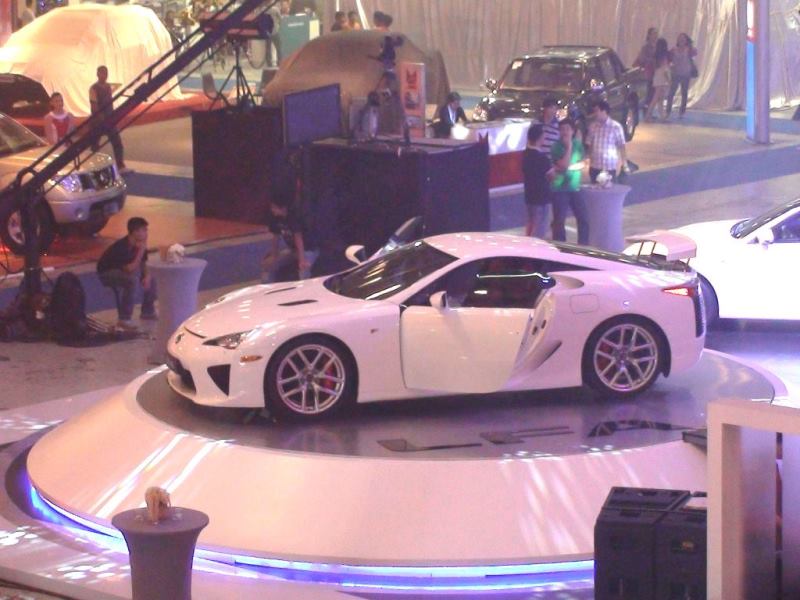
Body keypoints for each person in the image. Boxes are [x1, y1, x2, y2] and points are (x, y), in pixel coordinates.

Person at [97, 217, 157, 330]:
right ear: (135, 232)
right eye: (143, 230)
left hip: (123, 269)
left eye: (146, 230)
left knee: (152, 277)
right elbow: (129, 269)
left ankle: (147, 311)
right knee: (131, 281)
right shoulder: (122, 247)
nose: (146, 233)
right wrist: (141, 251)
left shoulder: (139, 244)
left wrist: (147, 276)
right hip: (107, 272)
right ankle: (124, 319)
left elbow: (144, 263)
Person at [550, 118, 588, 244]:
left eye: (567, 129)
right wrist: (569, 147)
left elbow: (583, 163)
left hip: (575, 187)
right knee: (559, 221)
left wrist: (567, 168)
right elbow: (564, 164)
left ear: (573, 131)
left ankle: (583, 246)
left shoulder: (578, 145)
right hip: (559, 189)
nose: (565, 132)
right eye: (562, 129)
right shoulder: (556, 146)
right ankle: (560, 246)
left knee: (583, 218)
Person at [90, 65, 131, 174]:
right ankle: (94, 167)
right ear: (97, 74)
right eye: (102, 73)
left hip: (110, 118)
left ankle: (120, 165)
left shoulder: (108, 87)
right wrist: (101, 118)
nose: (104, 75)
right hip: (98, 121)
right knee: (95, 145)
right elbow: (94, 106)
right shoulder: (93, 88)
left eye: (106, 73)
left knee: (117, 143)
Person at [522, 124, 554, 238]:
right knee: (540, 228)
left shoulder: (525, 154)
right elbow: (551, 176)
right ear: (540, 137)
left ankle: (527, 243)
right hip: (542, 197)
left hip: (529, 195)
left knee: (530, 223)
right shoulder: (542, 158)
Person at [584, 100, 627, 183]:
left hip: (609, 167)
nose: (594, 114)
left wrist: (624, 164)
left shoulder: (616, 127)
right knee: (594, 189)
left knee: (609, 189)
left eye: (596, 111)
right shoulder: (592, 126)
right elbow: (589, 143)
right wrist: (589, 158)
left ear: (604, 111)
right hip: (594, 167)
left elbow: (621, 146)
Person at [666, 33, 698, 119]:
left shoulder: (689, 49)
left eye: (683, 39)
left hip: (686, 74)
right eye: (680, 38)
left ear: (686, 40)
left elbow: (695, 52)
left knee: (684, 93)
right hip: (675, 73)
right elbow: (668, 58)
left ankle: (682, 112)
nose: (681, 40)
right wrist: (670, 65)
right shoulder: (674, 50)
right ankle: (668, 111)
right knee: (671, 93)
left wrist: (690, 46)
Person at [645, 38, 671, 121]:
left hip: (657, 77)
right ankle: (648, 115)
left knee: (659, 98)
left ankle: (662, 116)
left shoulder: (656, 56)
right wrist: (669, 80)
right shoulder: (664, 57)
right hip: (662, 78)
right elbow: (665, 70)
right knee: (656, 98)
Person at [634, 27, 658, 108]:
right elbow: (642, 58)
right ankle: (646, 107)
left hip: (656, 72)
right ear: (649, 35)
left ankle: (649, 108)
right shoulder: (646, 47)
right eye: (653, 33)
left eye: (656, 33)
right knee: (648, 90)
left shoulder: (658, 46)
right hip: (648, 71)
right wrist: (651, 60)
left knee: (653, 91)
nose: (655, 35)